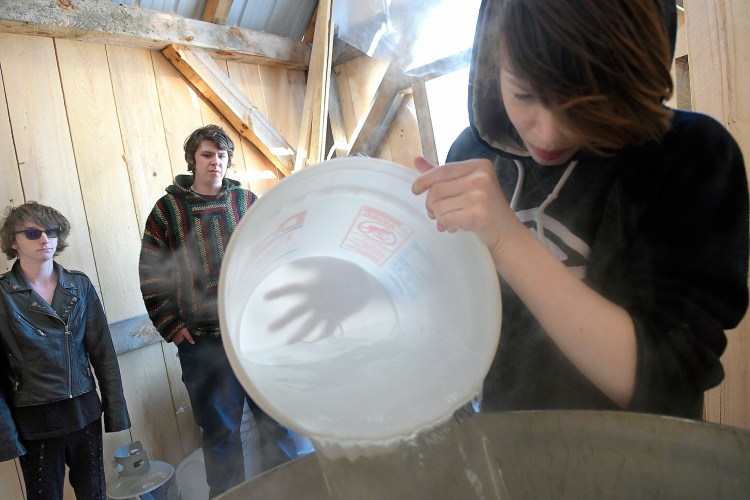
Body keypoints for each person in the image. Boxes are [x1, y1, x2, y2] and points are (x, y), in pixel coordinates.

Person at [412, 0, 748, 418]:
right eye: (524, 95)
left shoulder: (690, 157)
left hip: (639, 464)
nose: (548, 132)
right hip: (507, 449)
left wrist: (508, 239)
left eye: (582, 101)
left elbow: (664, 385)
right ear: (491, 66)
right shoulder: (474, 153)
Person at [138, 124, 287, 497]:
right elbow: (151, 272)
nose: (215, 162)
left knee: (277, 422)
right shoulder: (167, 210)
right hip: (204, 344)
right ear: (192, 160)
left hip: (255, 337)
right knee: (220, 433)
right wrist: (171, 326)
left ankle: (289, 490)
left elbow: (273, 258)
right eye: (207, 155)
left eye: (221, 155)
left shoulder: (247, 203)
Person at [0, 201, 131, 499]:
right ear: (13, 240)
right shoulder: (3, 297)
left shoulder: (79, 286)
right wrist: (6, 436)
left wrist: (115, 411)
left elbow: (103, 354)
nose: (45, 239)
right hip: (35, 422)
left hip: (84, 413)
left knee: (95, 493)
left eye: (52, 231)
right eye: (32, 233)